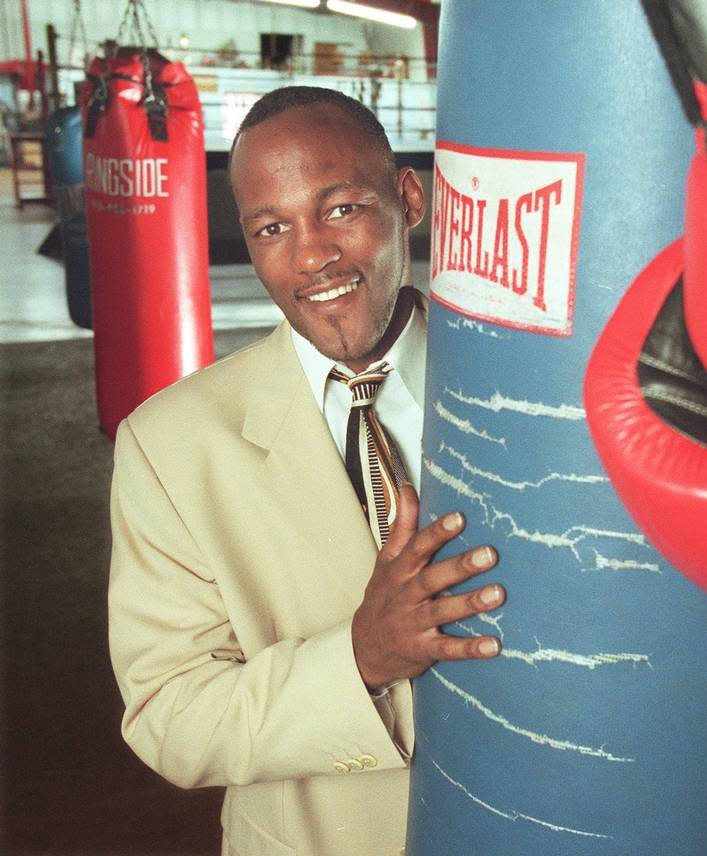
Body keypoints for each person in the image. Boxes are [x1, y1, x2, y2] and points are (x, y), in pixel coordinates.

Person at [107, 86, 505, 856]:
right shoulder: (170, 447)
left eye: (341, 209)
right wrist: (359, 658)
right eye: (271, 228)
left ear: (409, 198)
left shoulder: (524, 399)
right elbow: (170, 716)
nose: (311, 254)